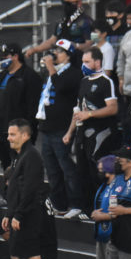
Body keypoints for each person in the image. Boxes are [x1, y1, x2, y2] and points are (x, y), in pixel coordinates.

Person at [64, 46, 119, 221]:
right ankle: (83, 207)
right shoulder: (84, 81)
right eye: (82, 62)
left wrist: (90, 114)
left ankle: (101, 206)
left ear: (97, 62)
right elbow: (79, 110)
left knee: (97, 171)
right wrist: (69, 132)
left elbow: (112, 108)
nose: (84, 65)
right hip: (81, 133)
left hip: (99, 133)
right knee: (81, 171)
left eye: (87, 62)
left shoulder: (106, 81)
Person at [36, 39, 85, 217]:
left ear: (69, 55)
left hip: (62, 128)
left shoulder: (73, 74)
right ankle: (59, 203)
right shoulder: (51, 74)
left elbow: (62, 87)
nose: (55, 54)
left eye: (60, 51)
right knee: (52, 169)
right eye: (54, 50)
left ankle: (76, 203)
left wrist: (50, 67)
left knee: (67, 167)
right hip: (47, 127)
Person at [3, 119, 49, 259]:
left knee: (32, 257)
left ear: (25, 135)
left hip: (28, 215)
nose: (9, 138)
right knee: (16, 256)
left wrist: (19, 214)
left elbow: (30, 188)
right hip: (18, 213)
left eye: (12, 134)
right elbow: (16, 188)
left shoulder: (32, 156)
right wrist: (9, 213)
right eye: (8, 134)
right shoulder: (19, 155)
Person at [0, 43, 42, 184]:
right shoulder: (1, 75)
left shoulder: (30, 77)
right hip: (0, 128)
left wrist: (29, 131)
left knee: (20, 165)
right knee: (6, 164)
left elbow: (33, 107)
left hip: (19, 130)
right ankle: (9, 195)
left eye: (5, 56)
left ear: (15, 56)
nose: (1, 60)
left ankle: (21, 195)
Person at [25, 0, 94, 57]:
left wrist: (75, 46)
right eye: (64, 3)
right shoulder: (62, 21)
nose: (66, 6)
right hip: (61, 58)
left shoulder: (86, 21)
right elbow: (52, 41)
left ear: (79, 3)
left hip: (78, 59)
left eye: (69, 3)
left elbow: (90, 44)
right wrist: (34, 50)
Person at [91, 155, 120, 259]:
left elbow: (115, 212)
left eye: (101, 170)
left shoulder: (116, 186)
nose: (99, 173)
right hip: (102, 232)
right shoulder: (104, 185)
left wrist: (102, 216)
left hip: (112, 234)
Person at [103, 0, 127, 64]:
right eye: (106, 13)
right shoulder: (104, 30)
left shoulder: (127, 31)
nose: (108, 16)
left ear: (121, 15)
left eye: (111, 13)